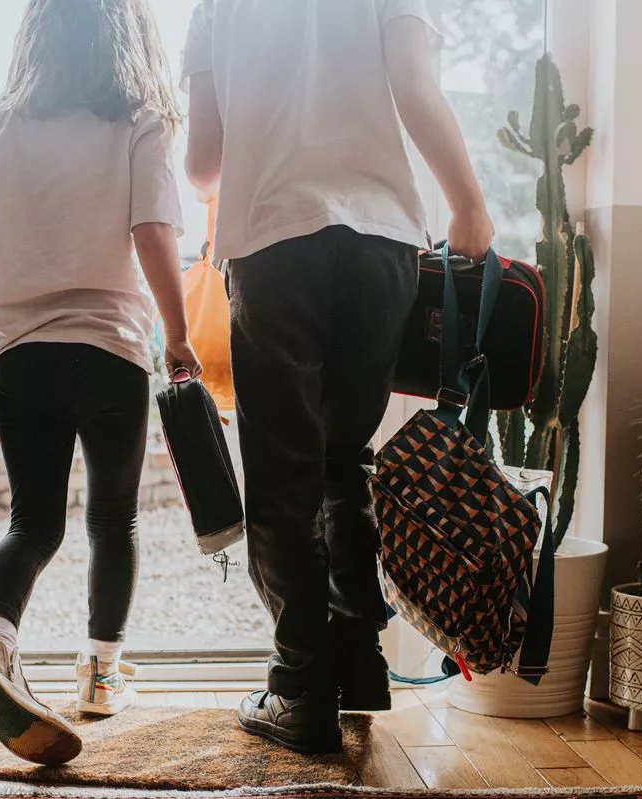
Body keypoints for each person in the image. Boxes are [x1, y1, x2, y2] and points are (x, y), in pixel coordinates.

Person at [182, 0, 495, 754]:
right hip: (381, 244)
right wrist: (469, 205)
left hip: (274, 240)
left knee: (284, 478)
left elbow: (202, 163)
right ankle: (359, 659)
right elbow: (416, 88)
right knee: (343, 458)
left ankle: (298, 687)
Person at [0, 0, 201, 766]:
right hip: (111, 354)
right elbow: (153, 231)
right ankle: (103, 675)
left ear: (36, 33)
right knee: (115, 521)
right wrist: (175, 335)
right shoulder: (142, 119)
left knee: (33, 522)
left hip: (25, 358)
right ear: (129, 37)